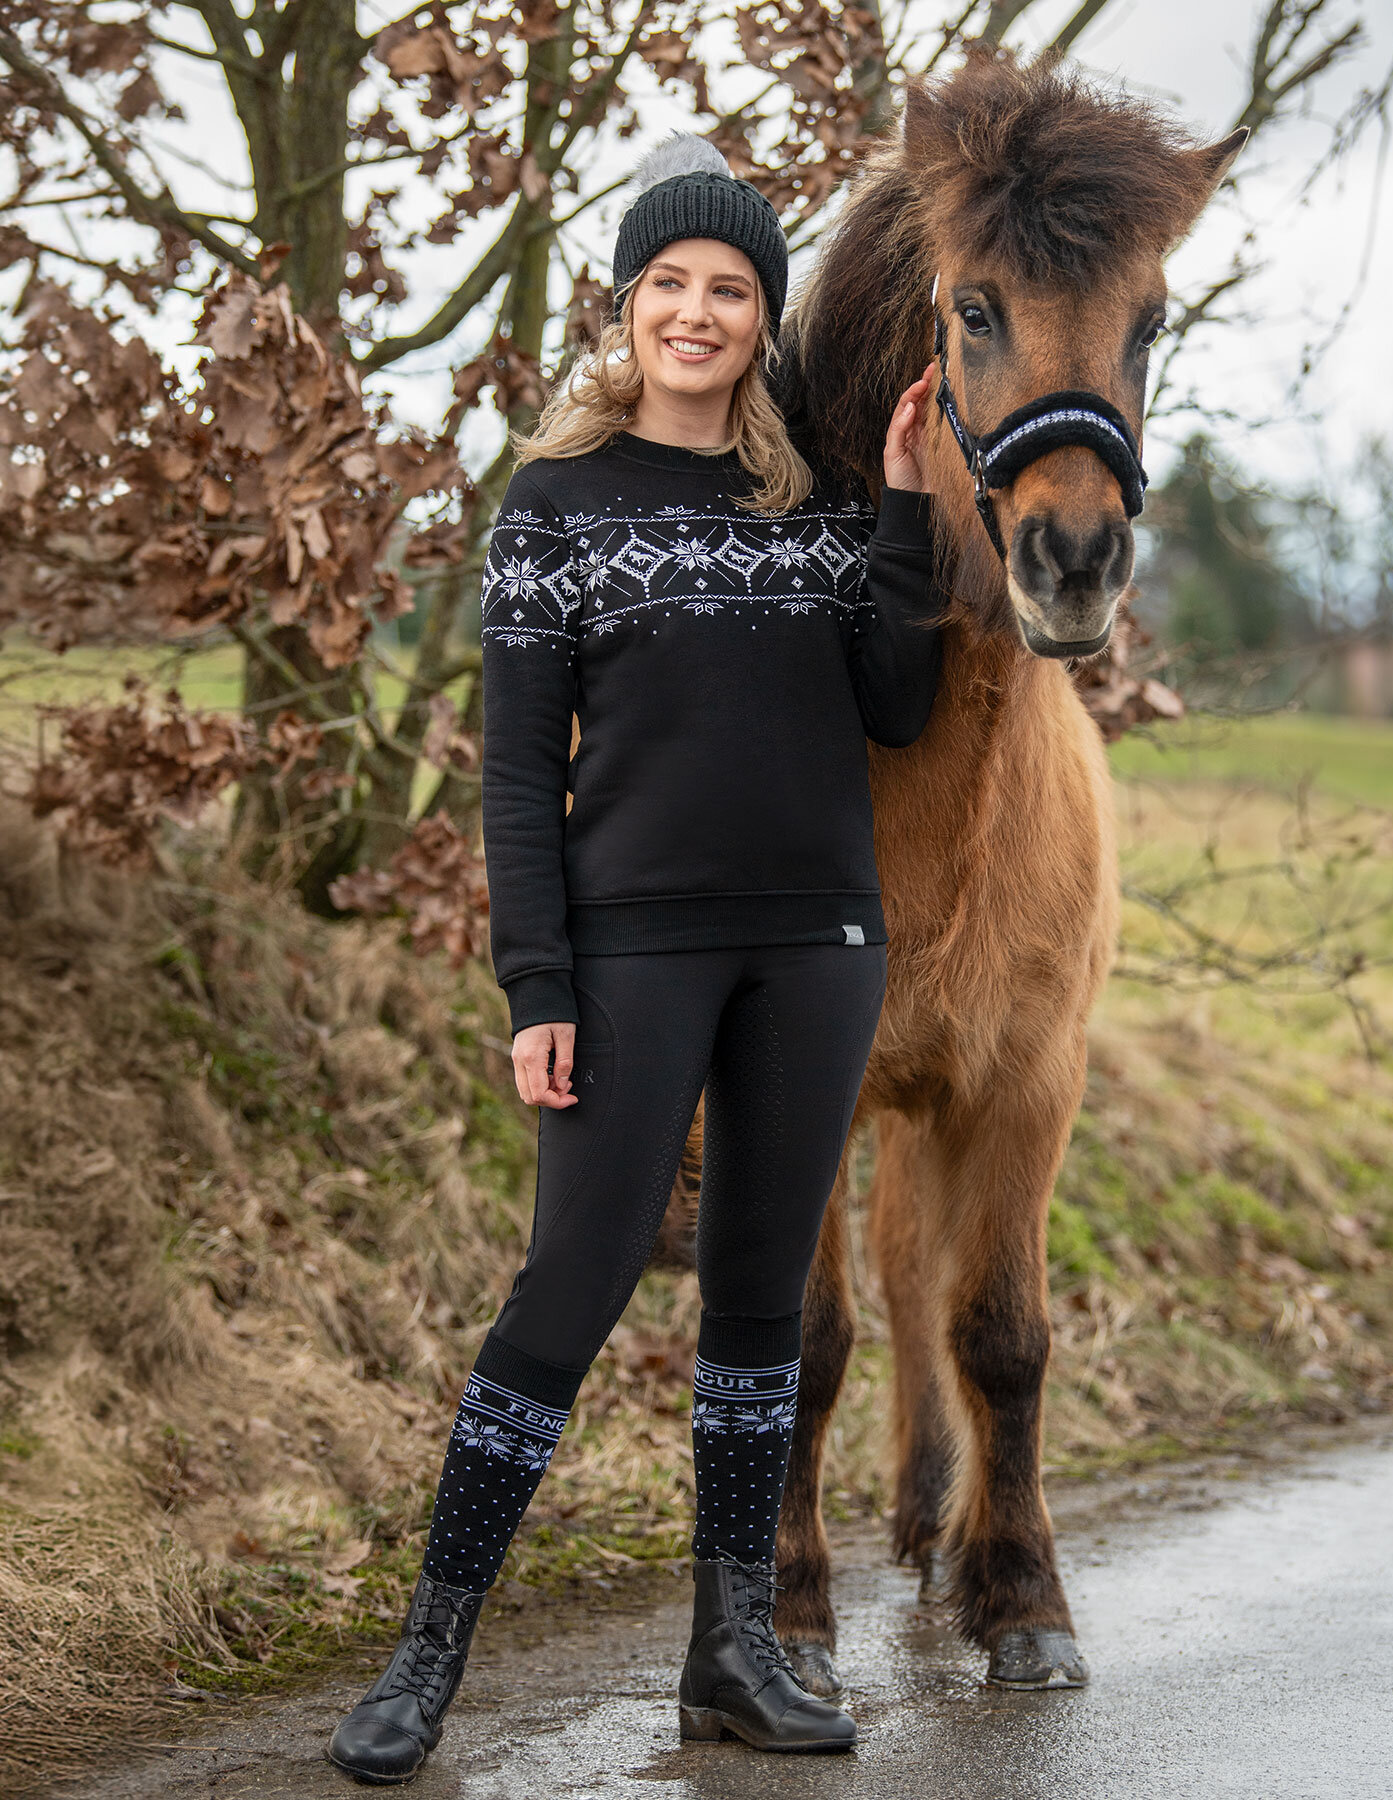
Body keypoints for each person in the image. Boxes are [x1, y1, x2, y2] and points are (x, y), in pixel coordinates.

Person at [326, 131, 942, 1784]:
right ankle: (425, 1658)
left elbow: (896, 704)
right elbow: (519, 770)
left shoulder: (811, 512)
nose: (696, 311)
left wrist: (893, 507)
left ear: (763, 321)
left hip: (818, 952)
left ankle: (731, 1655)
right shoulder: (553, 508)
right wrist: (537, 983)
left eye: (729, 289)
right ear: (625, 308)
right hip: (629, 957)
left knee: (757, 1303)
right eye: (669, 282)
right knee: (568, 1290)